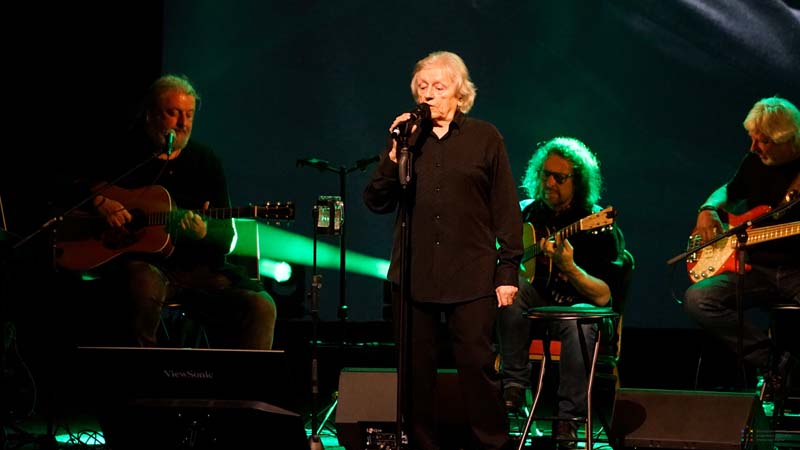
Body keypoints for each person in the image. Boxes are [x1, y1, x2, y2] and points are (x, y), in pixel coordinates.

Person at [363, 51, 523, 450]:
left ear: (459, 94)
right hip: (414, 275)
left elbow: (506, 207)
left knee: (477, 365)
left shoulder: (485, 137)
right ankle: (422, 444)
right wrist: (394, 155)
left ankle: (492, 443)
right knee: (416, 372)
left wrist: (507, 270)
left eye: (439, 87)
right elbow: (376, 200)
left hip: (471, 273)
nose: (429, 95)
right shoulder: (407, 141)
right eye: (423, 87)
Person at [75, 74, 276, 350]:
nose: (182, 123)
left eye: (189, 115)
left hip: (198, 271)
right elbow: (68, 185)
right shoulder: (123, 152)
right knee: (141, 284)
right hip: (142, 267)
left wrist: (204, 232)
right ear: (150, 115)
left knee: (261, 306)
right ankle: (147, 375)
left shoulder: (206, 162)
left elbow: (226, 236)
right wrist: (99, 202)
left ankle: (243, 379)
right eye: (173, 113)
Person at [497, 137, 626, 449]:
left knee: (577, 321)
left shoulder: (596, 226)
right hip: (536, 313)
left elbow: (603, 297)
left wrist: (569, 267)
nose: (550, 182)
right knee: (512, 291)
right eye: (546, 174)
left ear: (577, 182)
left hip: (580, 312)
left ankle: (569, 420)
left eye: (560, 177)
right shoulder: (527, 214)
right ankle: (513, 389)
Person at [684, 95, 800, 402]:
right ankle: (775, 361)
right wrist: (708, 209)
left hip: (796, 271)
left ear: (788, 139)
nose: (753, 148)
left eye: (763, 141)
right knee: (698, 299)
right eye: (752, 139)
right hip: (755, 268)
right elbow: (730, 190)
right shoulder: (754, 162)